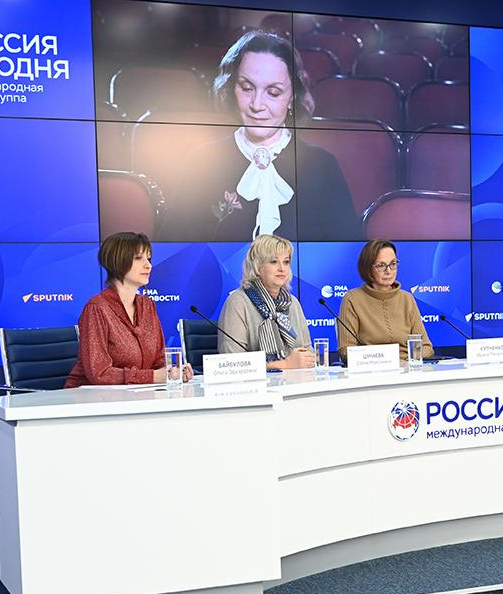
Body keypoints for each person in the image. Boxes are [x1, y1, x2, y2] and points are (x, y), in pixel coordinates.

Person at [159, 30, 360, 242]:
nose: (257, 105)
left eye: (273, 93)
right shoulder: (202, 161)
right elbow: (173, 250)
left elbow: (347, 253)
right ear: (232, 88)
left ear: (292, 97)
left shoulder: (323, 165)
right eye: (247, 88)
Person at [65, 232, 192, 388]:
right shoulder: (96, 308)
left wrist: (174, 372)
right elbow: (100, 373)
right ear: (118, 262)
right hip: (90, 398)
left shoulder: (147, 306)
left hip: (134, 394)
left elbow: (158, 361)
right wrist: (152, 377)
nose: (148, 265)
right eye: (139, 258)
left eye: (149, 259)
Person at [216, 234, 315, 369]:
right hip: (254, 382)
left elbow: (308, 352)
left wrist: (306, 360)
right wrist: (285, 364)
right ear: (257, 266)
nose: (282, 268)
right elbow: (231, 361)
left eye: (286, 262)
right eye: (274, 262)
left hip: (295, 380)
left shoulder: (292, 303)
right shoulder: (238, 302)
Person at [337, 240, 434, 361]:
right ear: (368, 268)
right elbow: (345, 350)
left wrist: (407, 362)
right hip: (371, 368)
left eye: (393, 264)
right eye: (381, 265)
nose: (389, 271)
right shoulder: (352, 299)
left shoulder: (407, 298)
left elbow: (426, 347)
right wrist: (383, 359)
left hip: (408, 367)